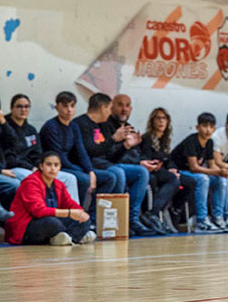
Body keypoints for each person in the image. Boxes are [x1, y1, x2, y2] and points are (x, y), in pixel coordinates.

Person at [73, 93, 158, 236]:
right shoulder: (80, 124)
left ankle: (132, 219)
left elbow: (110, 156)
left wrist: (125, 145)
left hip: (104, 163)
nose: (110, 112)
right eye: (110, 108)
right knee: (117, 173)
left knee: (141, 172)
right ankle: (111, 220)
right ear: (102, 108)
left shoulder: (101, 125)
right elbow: (89, 151)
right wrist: (113, 139)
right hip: (88, 165)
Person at [38, 91, 117, 221]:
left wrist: (90, 171)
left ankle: (91, 218)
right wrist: (83, 172)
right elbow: (58, 156)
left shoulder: (73, 126)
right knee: (84, 179)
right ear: (57, 107)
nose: (69, 110)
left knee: (109, 177)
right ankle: (75, 218)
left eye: (72, 106)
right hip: (55, 167)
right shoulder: (50, 126)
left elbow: (81, 152)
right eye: (65, 106)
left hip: (71, 166)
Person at [5, 152, 96, 246]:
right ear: (41, 166)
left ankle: (65, 239)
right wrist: (69, 213)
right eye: (49, 164)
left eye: (56, 165)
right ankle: (74, 237)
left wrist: (81, 213)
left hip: (50, 221)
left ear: (60, 167)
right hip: (26, 227)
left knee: (85, 220)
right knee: (53, 223)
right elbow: (38, 211)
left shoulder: (59, 184)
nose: (52, 168)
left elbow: (70, 203)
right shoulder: (30, 183)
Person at [3, 93, 80, 205]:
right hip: (16, 168)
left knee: (70, 178)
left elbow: (38, 153)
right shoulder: (5, 129)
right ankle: (44, 215)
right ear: (11, 108)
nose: (23, 110)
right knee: (33, 178)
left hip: (34, 168)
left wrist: (40, 166)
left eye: (26, 106)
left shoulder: (31, 130)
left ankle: (73, 215)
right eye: (19, 106)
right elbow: (9, 157)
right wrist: (32, 168)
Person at [169, 112, 228, 233]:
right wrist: (218, 172)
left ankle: (218, 217)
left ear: (214, 129)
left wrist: (224, 173)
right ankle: (201, 220)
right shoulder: (191, 141)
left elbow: (212, 166)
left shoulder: (209, 142)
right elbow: (194, 168)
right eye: (204, 126)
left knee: (222, 180)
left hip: (194, 173)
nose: (208, 130)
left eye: (211, 127)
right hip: (179, 171)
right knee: (203, 179)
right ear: (197, 127)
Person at [138, 107, 181, 233]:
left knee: (188, 181)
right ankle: (154, 213)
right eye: (158, 118)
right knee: (173, 180)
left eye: (164, 118)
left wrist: (172, 168)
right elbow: (146, 156)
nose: (161, 121)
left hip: (161, 169)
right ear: (152, 121)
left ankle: (174, 212)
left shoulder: (164, 139)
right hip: (151, 170)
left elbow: (168, 158)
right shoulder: (148, 138)